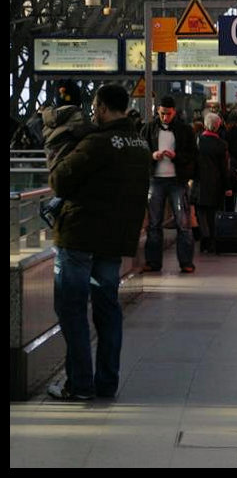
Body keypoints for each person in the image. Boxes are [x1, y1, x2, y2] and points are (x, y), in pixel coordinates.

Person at [47, 84, 150, 400]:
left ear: (103, 106)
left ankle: (79, 384)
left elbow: (59, 180)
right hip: (114, 240)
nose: (93, 110)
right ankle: (106, 383)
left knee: (72, 308)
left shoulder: (98, 143)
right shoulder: (140, 145)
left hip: (80, 236)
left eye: (95, 105)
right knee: (107, 309)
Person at [140, 95, 198, 273]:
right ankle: (153, 262)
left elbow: (193, 154)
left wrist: (176, 157)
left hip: (177, 180)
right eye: (163, 113)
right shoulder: (148, 129)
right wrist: (153, 155)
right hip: (155, 179)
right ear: (158, 111)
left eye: (169, 114)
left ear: (174, 112)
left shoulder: (185, 130)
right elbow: (141, 151)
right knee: (154, 223)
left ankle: (186, 262)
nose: (166, 117)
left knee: (183, 222)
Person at [37, 80, 96, 228]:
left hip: (52, 159)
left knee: (66, 188)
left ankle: (53, 209)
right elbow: (87, 131)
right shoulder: (76, 115)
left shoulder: (49, 117)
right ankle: (52, 208)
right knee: (76, 187)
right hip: (67, 159)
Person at [192, 113, 232, 253]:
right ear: (217, 126)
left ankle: (205, 238)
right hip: (216, 184)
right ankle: (212, 241)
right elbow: (224, 168)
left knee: (200, 212)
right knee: (213, 213)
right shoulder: (221, 144)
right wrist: (227, 187)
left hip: (199, 183)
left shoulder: (197, 141)